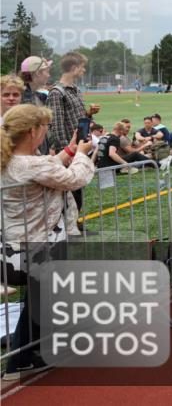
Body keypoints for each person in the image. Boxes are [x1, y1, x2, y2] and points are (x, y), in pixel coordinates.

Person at [1, 104, 94, 380]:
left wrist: (68, 152)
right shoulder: (31, 163)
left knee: (39, 299)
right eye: (45, 127)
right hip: (38, 246)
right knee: (41, 300)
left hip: (16, 246)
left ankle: (27, 355)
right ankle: (21, 359)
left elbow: (43, 169)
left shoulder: (12, 160)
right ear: (33, 131)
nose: (46, 132)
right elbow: (75, 179)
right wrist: (80, 155)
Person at [46, 51, 99, 222]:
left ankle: (75, 226)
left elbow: (79, 121)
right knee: (69, 196)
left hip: (80, 149)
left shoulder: (75, 90)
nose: (84, 70)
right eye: (82, 67)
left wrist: (89, 114)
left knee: (78, 193)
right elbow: (56, 126)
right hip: (70, 152)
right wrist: (66, 152)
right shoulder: (56, 93)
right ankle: (68, 230)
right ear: (74, 68)